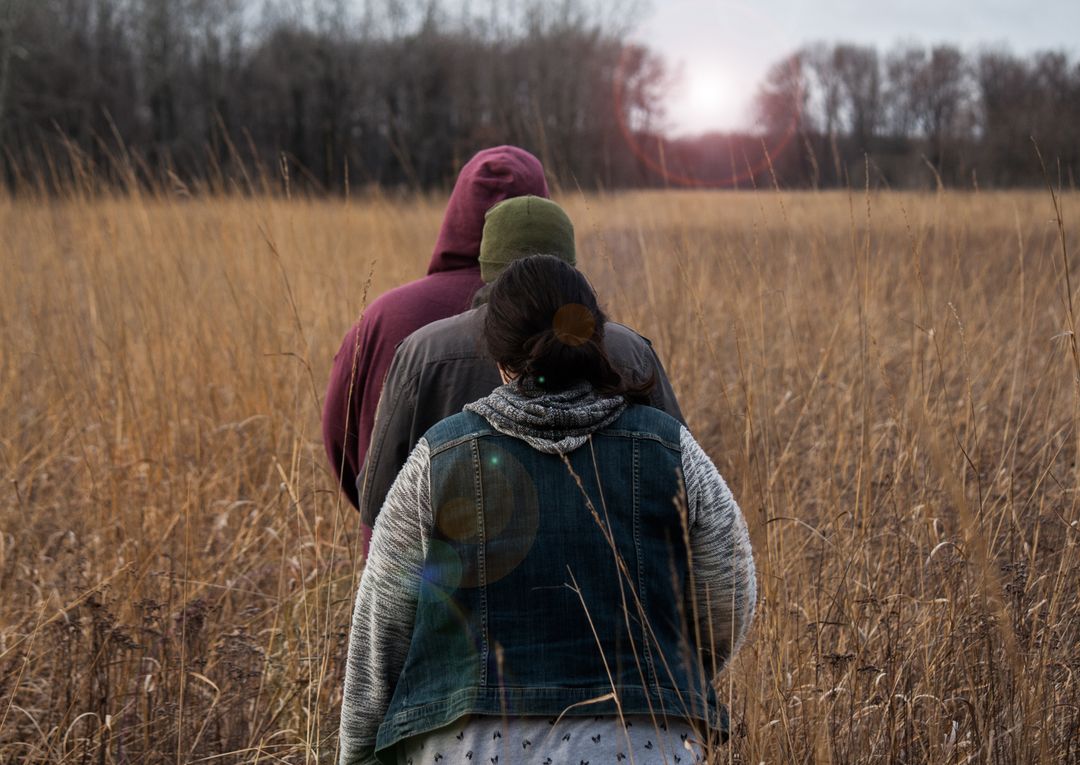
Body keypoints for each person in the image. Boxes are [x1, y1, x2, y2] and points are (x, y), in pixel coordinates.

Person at [339, 255, 756, 765]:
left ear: (499, 355)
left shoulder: (437, 457)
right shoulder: (673, 449)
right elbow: (729, 587)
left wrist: (357, 751)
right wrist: (674, 671)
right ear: (597, 339)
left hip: (465, 749)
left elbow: (381, 625)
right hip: (642, 742)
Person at [357, 195, 683, 535]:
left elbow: (378, 499)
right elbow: (682, 477)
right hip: (616, 576)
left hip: (458, 576)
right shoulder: (629, 350)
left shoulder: (422, 352)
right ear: (570, 266)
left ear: (485, 265)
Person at [322, 145, 549, 518]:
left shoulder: (384, 316)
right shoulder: (571, 319)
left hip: (402, 564)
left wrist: (380, 523)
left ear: (457, 212)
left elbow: (341, 437)